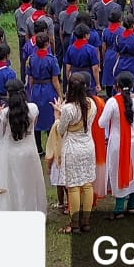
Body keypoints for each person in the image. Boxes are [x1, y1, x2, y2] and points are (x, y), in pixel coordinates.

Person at [0, 78, 46, 211]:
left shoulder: (4, 113)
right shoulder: (33, 108)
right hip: (29, 151)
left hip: (12, 153)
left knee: (13, 185)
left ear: (8, 94)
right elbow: (32, 126)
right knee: (29, 183)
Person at [100, 72, 134, 218]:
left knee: (118, 170)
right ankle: (132, 205)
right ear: (133, 85)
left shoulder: (112, 102)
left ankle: (119, 207)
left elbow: (101, 123)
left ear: (117, 86)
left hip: (118, 142)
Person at [54, 73, 98, 234]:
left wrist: (57, 116)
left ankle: (75, 223)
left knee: (73, 187)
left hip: (72, 148)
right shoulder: (92, 103)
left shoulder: (68, 108)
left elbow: (61, 130)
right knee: (87, 184)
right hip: (88, 146)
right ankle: (85, 222)